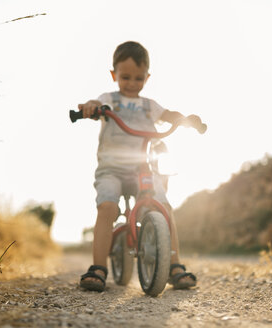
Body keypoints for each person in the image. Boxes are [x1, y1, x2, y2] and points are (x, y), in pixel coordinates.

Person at [78, 41, 203, 292]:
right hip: (111, 169)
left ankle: (174, 265)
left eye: (138, 78)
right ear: (114, 75)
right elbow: (91, 103)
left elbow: (168, 115)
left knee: (164, 207)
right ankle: (99, 268)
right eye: (125, 77)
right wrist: (89, 108)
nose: (132, 83)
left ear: (147, 77)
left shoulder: (150, 106)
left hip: (142, 168)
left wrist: (184, 119)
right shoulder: (108, 100)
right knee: (108, 208)